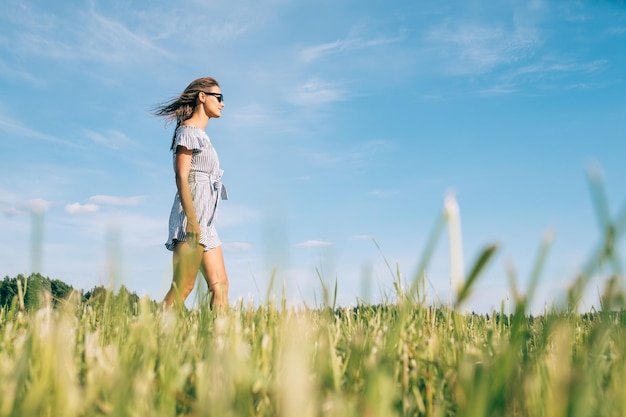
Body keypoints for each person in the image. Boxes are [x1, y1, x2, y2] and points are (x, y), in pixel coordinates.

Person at [153, 77, 229, 309]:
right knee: (183, 286)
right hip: (191, 219)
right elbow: (181, 177)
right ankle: (151, 334)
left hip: (206, 222)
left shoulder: (202, 136)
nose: (223, 103)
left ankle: (218, 342)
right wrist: (193, 222)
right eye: (219, 97)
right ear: (202, 97)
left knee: (220, 286)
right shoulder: (188, 131)